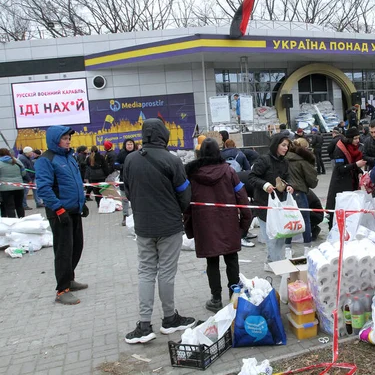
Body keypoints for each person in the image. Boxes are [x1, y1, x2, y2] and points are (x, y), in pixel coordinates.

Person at [122, 118, 195, 344]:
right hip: (169, 226)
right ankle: (170, 319)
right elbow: (185, 194)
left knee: (145, 272)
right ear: (164, 135)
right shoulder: (172, 160)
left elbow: (127, 192)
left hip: (143, 226)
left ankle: (144, 325)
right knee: (166, 272)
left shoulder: (130, 160)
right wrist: (176, 211)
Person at [184, 138, 251, 312]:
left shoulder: (192, 174)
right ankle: (233, 296)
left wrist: (190, 229)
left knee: (211, 262)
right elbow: (242, 198)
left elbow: (186, 204)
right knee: (231, 259)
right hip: (228, 224)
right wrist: (244, 225)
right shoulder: (229, 172)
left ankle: (215, 299)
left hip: (204, 226)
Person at [34, 126, 89, 305]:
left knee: (76, 247)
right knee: (64, 251)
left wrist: (83, 204)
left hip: (73, 211)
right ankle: (62, 290)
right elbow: (44, 188)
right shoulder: (46, 160)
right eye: (64, 138)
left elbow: (76, 182)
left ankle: (70, 278)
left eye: (68, 138)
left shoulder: (69, 157)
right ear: (55, 139)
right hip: (60, 212)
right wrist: (58, 209)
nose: (68, 141)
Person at [248, 133, 294, 271]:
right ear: (276, 145)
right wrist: (265, 185)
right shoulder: (263, 160)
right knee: (272, 239)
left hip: (280, 205)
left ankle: (270, 262)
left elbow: (287, 177)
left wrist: (289, 185)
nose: (286, 148)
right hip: (264, 205)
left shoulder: (284, 162)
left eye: (287, 146)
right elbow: (252, 177)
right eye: (283, 145)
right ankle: (280, 267)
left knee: (280, 237)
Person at [325, 127, 366, 227]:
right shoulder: (340, 149)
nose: (358, 141)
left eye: (358, 138)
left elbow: (352, 163)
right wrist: (356, 165)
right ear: (349, 138)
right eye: (355, 138)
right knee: (338, 210)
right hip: (340, 185)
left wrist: (359, 171)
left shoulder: (354, 148)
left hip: (351, 183)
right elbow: (340, 168)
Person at [284, 138, 319, 254]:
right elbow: (311, 180)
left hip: (286, 192)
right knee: (305, 220)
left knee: (289, 220)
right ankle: (307, 248)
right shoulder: (302, 161)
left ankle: (287, 248)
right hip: (299, 192)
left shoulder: (284, 158)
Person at [115, 138, 136, 226]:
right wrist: (123, 166)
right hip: (124, 180)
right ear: (125, 145)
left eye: (131, 144)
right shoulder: (121, 154)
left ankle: (137, 216)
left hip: (136, 180)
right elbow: (115, 164)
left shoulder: (137, 153)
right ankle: (125, 216)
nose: (130, 146)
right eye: (128, 144)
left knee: (136, 199)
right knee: (124, 199)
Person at [0, 149, 26, 218]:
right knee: (19, 206)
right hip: (19, 186)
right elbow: (24, 173)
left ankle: (13, 224)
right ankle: (22, 221)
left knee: (9, 207)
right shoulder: (17, 161)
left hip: (5, 189)